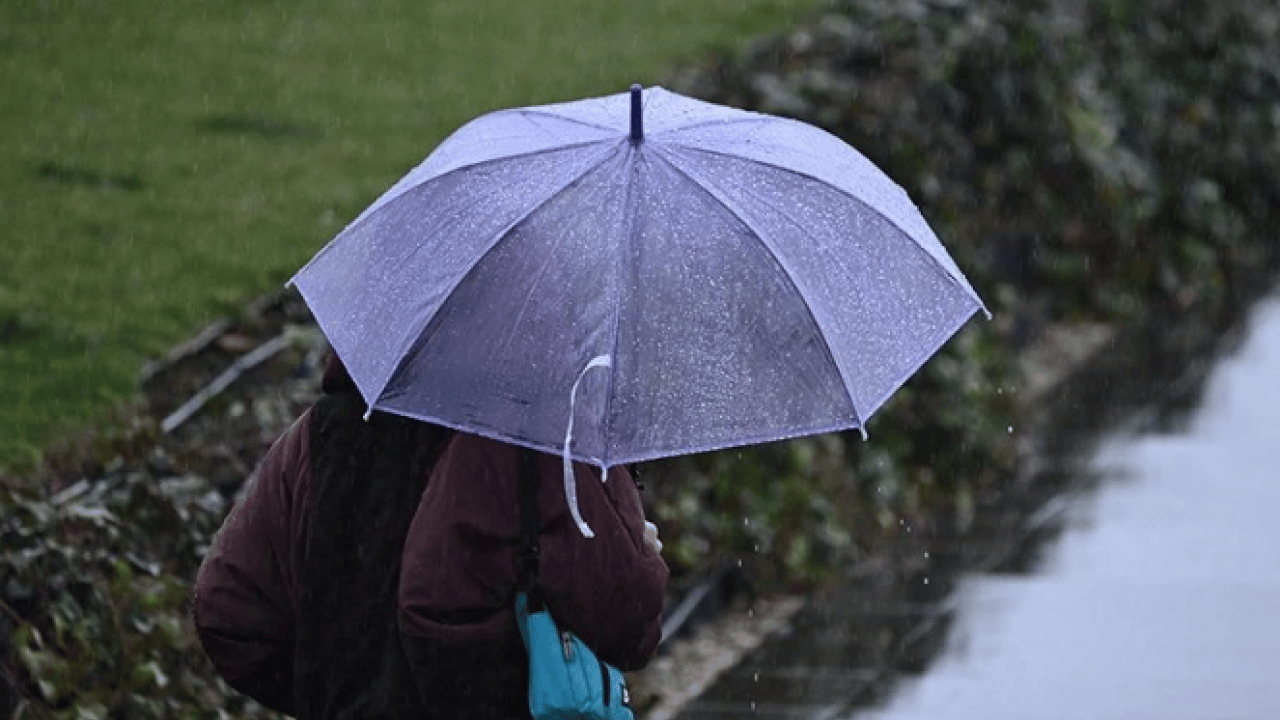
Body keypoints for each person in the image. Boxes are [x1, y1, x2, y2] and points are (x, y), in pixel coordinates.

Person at [192, 355, 669, 719]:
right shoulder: (536, 438)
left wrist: (331, 691)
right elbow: (628, 620)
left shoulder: (324, 432)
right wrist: (638, 549)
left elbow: (228, 610)